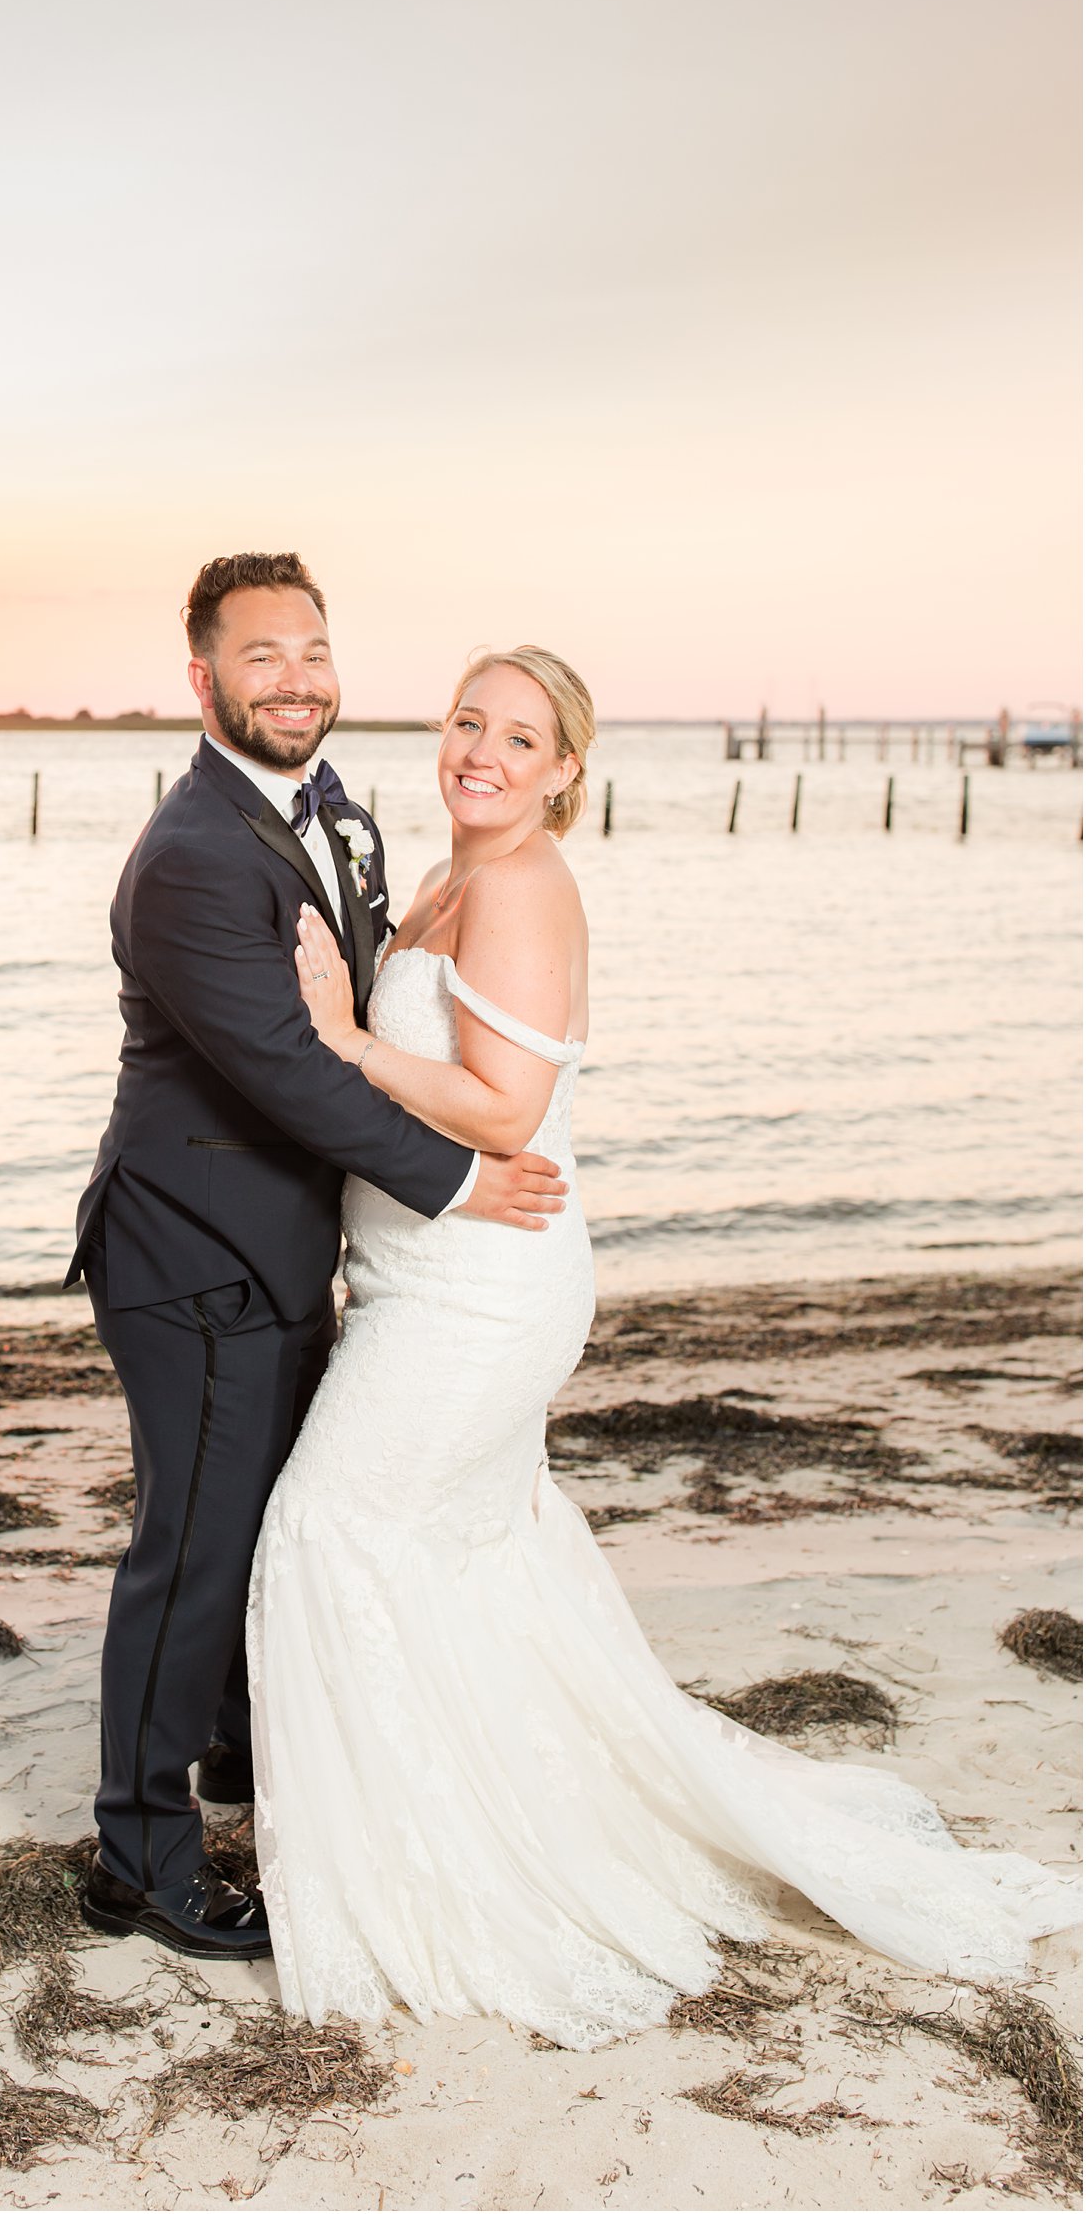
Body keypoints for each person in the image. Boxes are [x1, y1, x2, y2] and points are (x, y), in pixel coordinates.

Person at [249, 642, 1079, 2049]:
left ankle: (429, 1872)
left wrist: (342, 1035)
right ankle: (480, 1817)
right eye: (468, 721)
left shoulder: (521, 886)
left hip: (478, 1289)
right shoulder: (452, 875)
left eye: (521, 737)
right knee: (468, 1560)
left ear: (567, 769)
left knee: (329, 1531)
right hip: (422, 1275)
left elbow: (506, 1112)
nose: (483, 752)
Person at [64, 554, 569, 1962]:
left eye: (314, 649)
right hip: (197, 1251)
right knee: (194, 1547)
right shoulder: (191, 857)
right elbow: (292, 1066)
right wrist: (464, 1180)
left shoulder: (316, 809)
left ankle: (230, 1757)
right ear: (203, 680)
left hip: (280, 1250)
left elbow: (350, 1015)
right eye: (261, 654)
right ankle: (141, 1860)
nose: (295, 677)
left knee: (252, 1526)